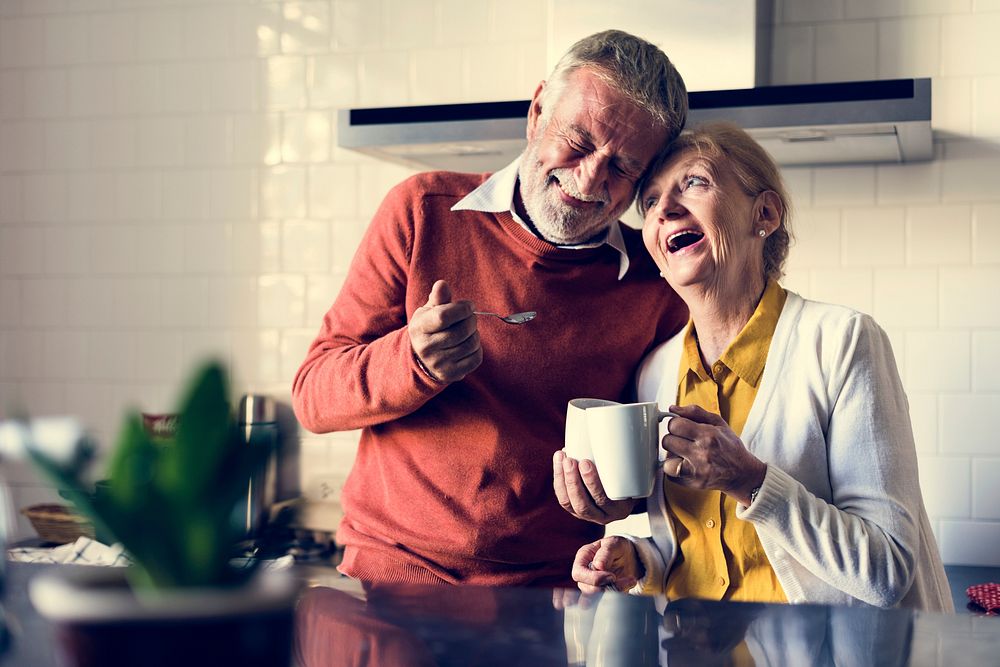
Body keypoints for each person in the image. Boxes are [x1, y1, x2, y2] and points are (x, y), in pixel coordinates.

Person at [292, 30, 690, 587]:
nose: (589, 178)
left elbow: (652, 489)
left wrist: (615, 508)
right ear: (536, 113)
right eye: (577, 142)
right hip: (390, 581)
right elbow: (313, 397)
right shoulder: (422, 211)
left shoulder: (658, 288)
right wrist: (413, 360)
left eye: (623, 167)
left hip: (549, 599)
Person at [556, 122, 952, 610]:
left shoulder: (843, 342)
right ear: (657, 253)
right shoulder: (656, 371)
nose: (666, 210)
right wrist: (637, 559)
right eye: (651, 203)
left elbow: (886, 571)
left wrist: (751, 481)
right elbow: (694, 542)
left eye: (694, 183)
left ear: (763, 214)